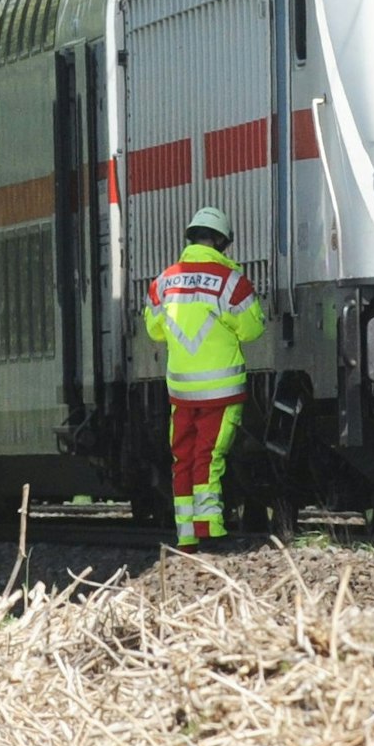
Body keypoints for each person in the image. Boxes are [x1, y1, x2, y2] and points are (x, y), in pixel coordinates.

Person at [146, 206, 265, 549]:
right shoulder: (231, 282)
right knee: (208, 459)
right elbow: (253, 329)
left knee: (182, 457)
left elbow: (154, 330)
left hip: (181, 391)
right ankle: (210, 529)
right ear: (221, 242)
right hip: (221, 391)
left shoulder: (164, 282)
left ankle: (185, 534)